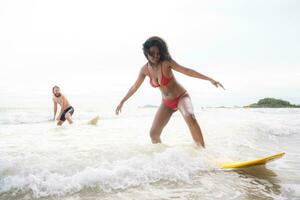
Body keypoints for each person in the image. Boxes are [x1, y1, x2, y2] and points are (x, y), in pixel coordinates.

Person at [115, 36, 225, 148]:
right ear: (146, 52)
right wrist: (122, 101)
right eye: (152, 53)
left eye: (158, 53)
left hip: (181, 97)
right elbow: (134, 87)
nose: (156, 56)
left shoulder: (166, 63)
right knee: (153, 133)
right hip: (166, 103)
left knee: (189, 116)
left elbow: (187, 71)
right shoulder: (144, 70)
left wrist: (209, 79)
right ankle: (163, 157)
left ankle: (203, 151)